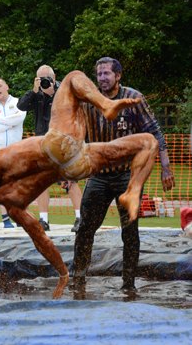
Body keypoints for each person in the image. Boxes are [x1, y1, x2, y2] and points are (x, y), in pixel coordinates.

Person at [0, 69, 160, 298]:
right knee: (73, 78)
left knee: (146, 143)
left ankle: (131, 192)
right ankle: (107, 109)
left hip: (75, 168)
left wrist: (63, 273)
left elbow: (41, 239)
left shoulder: (12, 204)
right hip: (59, 145)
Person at [72, 57, 175, 291]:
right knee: (85, 228)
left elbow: (154, 132)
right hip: (98, 175)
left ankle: (129, 283)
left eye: (106, 74)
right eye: (98, 74)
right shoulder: (89, 101)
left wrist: (165, 167)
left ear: (118, 76)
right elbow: (76, 135)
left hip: (127, 176)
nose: (102, 78)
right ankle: (78, 278)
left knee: (130, 231)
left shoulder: (133, 98)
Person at [17, 65, 83, 232]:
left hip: (62, 143)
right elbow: (21, 106)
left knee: (70, 181)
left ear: (54, 78)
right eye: (41, 79)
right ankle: (43, 220)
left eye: (47, 78)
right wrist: (34, 91)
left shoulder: (66, 92)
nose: (45, 82)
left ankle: (80, 218)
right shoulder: (36, 94)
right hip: (42, 143)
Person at [0, 77, 26, 228]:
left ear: (7, 86)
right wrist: (9, 123)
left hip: (16, 151)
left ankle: (20, 216)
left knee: (18, 185)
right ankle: (5, 219)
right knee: (2, 186)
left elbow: (20, 118)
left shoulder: (18, 102)